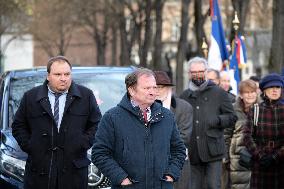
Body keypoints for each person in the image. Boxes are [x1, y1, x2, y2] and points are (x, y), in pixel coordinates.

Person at [12, 56, 102, 189]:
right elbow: (18, 126)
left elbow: (97, 124)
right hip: (39, 170)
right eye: (58, 74)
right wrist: (30, 145)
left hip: (74, 170)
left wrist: (82, 143)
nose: (63, 78)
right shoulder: (30, 97)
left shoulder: (86, 96)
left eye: (67, 74)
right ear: (48, 76)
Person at [91, 68, 186, 189]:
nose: (153, 92)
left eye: (154, 87)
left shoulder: (166, 116)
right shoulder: (112, 117)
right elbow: (99, 153)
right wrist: (122, 179)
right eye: (147, 88)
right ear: (131, 90)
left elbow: (179, 150)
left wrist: (171, 174)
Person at [180, 57, 237, 189]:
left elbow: (232, 117)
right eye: (193, 72)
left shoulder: (219, 93)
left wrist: (217, 120)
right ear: (189, 74)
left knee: (213, 186)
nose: (197, 74)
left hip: (213, 150)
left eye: (200, 71)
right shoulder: (184, 96)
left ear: (206, 72)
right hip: (192, 151)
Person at [243, 73, 284, 189]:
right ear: (264, 91)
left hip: (281, 164)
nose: (275, 90)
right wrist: (260, 156)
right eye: (271, 87)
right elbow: (247, 136)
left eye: (278, 87)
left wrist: (275, 157)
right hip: (260, 164)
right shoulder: (255, 110)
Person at [154, 70, 193, 189]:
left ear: (168, 88)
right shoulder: (145, 107)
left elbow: (184, 137)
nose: (157, 90)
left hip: (178, 161)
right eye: (155, 87)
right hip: (152, 164)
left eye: (161, 87)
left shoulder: (184, 107)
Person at [224, 79, 260, 189]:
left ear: (256, 92)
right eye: (246, 92)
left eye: (252, 92)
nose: (250, 95)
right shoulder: (233, 110)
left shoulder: (262, 108)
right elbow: (226, 135)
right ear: (241, 95)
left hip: (258, 156)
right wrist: (226, 157)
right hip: (237, 158)